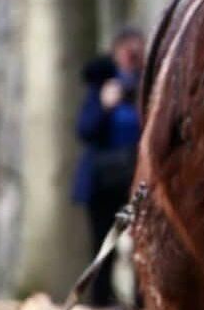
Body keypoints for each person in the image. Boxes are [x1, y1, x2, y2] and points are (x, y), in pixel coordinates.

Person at [72, 26, 145, 306]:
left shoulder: (150, 86)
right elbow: (85, 130)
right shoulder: (101, 86)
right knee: (103, 247)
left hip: (139, 181)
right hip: (102, 181)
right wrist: (104, 106)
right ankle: (100, 302)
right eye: (127, 50)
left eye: (137, 50)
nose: (132, 55)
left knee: (143, 247)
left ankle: (141, 303)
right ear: (116, 53)